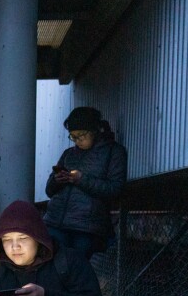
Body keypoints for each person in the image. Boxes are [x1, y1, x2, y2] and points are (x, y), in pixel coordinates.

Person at [44, 106, 127, 259]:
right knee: (54, 268)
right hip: (55, 222)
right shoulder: (69, 154)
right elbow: (49, 191)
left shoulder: (113, 152)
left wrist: (81, 180)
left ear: (94, 130)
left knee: (77, 269)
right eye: (73, 137)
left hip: (87, 227)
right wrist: (57, 180)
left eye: (81, 135)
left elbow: (115, 189)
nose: (77, 141)